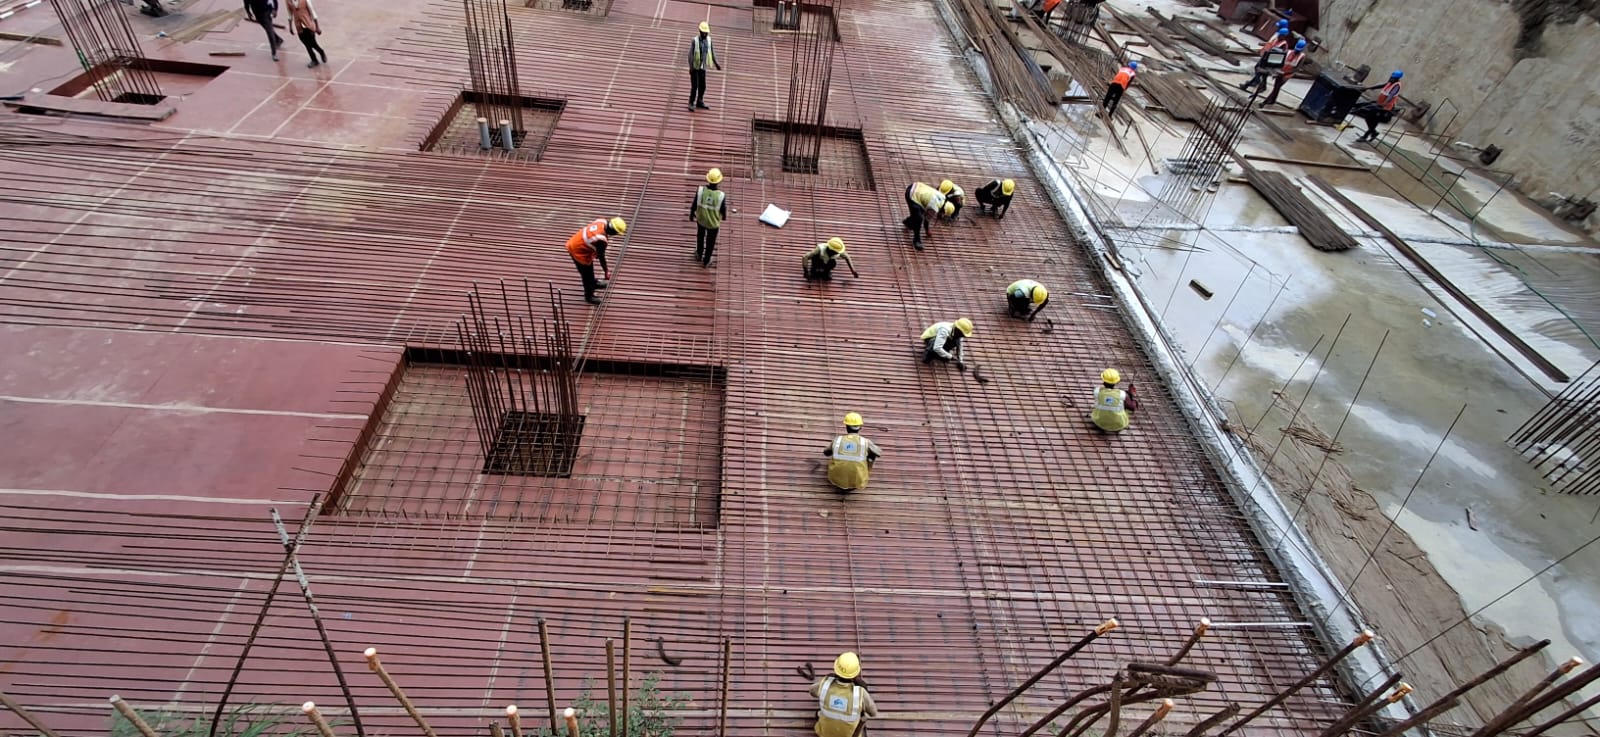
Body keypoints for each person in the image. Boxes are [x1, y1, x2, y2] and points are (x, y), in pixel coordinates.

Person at [810, 652, 878, 737]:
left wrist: (827, 680)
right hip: (849, 735)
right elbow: (873, 713)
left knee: (818, 713)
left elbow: (812, 691)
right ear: (856, 674)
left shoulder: (825, 684)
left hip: (823, 734)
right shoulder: (860, 693)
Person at [565, 217, 626, 305]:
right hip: (577, 251)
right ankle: (589, 296)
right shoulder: (601, 239)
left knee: (589, 269)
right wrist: (606, 271)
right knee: (586, 274)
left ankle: (594, 283)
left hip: (577, 242)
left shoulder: (602, 221)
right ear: (613, 231)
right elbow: (601, 257)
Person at [822, 413, 883, 492]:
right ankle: (863, 474)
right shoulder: (865, 442)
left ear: (846, 426)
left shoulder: (837, 440)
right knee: (871, 455)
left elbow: (826, 453)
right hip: (857, 482)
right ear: (860, 427)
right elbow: (878, 453)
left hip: (836, 480)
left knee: (835, 452)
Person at [1352, 70, 1403, 143]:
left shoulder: (1396, 86)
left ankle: (1365, 136)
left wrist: (1382, 104)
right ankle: (1374, 133)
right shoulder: (1391, 82)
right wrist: (1368, 88)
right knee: (1369, 117)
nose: (1391, 79)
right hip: (1380, 104)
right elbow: (1381, 85)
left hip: (1385, 107)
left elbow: (1390, 96)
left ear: (1397, 79)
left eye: (1393, 78)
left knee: (1374, 120)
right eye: (1391, 77)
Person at [690, 168, 726, 267]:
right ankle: (706, 261)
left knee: (700, 237)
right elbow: (723, 209)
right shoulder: (721, 196)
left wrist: (691, 213)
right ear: (719, 181)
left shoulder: (701, 191)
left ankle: (699, 254)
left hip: (701, 220)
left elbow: (694, 203)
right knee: (710, 242)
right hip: (713, 223)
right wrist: (723, 217)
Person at [1239, 29, 1292, 95]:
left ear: (1284, 36)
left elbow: (1280, 56)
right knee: (1261, 73)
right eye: (1279, 34)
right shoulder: (1276, 40)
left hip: (1270, 62)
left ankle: (1250, 84)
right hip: (1265, 58)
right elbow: (1269, 46)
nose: (1279, 36)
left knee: (1260, 72)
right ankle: (1259, 85)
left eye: (1281, 35)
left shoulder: (1283, 44)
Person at [902, 182, 951, 250]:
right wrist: (927, 230)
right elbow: (926, 221)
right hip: (912, 195)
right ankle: (917, 240)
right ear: (943, 211)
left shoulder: (943, 197)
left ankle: (908, 222)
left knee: (920, 212)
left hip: (916, 185)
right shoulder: (935, 207)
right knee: (919, 219)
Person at [687, 21, 723, 112]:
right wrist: (691, 68)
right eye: (703, 32)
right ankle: (691, 102)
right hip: (695, 67)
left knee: (703, 86)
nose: (705, 34)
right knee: (695, 86)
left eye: (706, 32)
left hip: (703, 67)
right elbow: (690, 55)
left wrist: (716, 64)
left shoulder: (709, 40)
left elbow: (712, 52)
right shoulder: (694, 41)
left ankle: (700, 101)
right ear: (700, 31)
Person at [1090, 368, 1139, 433]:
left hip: (1099, 423)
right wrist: (1131, 395)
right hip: (1118, 425)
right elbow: (1132, 407)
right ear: (1117, 381)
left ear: (1103, 380)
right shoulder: (1122, 394)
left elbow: (1109, 396)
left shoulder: (1097, 391)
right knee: (1124, 405)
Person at [1260, 39, 1306, 106]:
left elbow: (1296, 69)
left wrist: (1285, 73)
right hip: (1280, 71)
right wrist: (1277, 71)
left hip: (1288, 74)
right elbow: (1280, 62)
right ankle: (1273, 100)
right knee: (1276, 86)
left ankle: (1265, 101)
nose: (1296, 51)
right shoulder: (1288, 52)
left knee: (1277, 86)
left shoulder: (1302, 56)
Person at [286, 0, 327, 69]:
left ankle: (321, 51)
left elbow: (312, 12)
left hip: (308, 24)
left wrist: (317, 27)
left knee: (312, 42)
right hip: (299, 26)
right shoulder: (288, 1)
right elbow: (290, 14)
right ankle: (314, 59)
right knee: (305, 43)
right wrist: (290, 27)